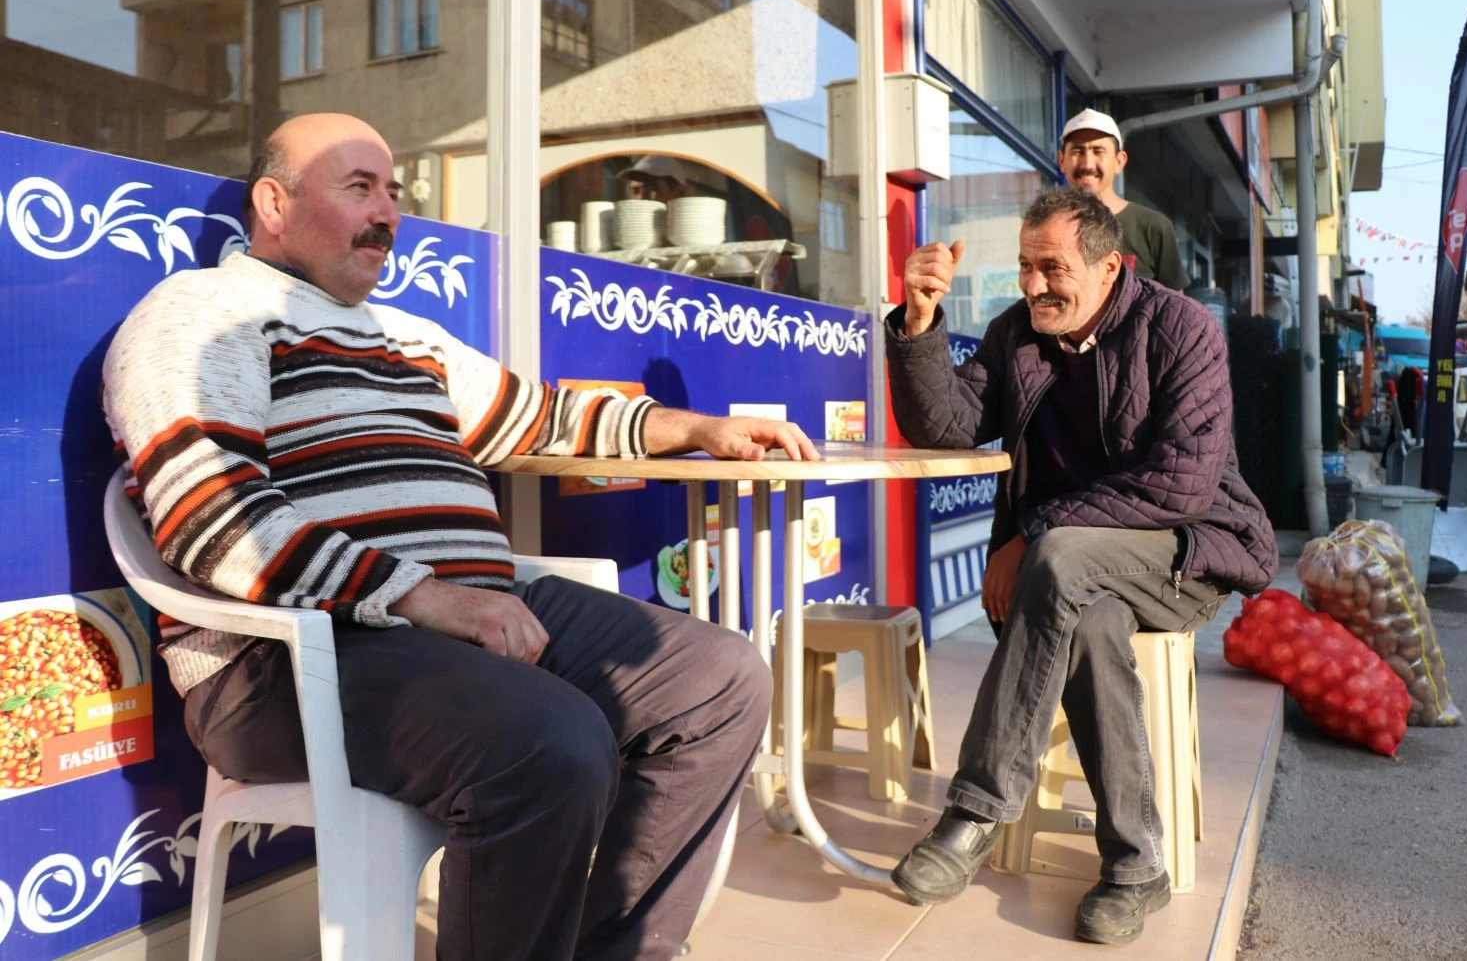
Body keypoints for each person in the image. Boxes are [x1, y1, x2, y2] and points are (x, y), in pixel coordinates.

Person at [101, 113, 821, 961]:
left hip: (465, 618)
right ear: (274, 203)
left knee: (722, 677)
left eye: (394, 191)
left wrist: (694, 427)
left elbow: (543, 413)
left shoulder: (407, 335)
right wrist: (432, 598)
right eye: (357, 186)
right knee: (550, 743)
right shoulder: (203, 314)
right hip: (288, 658)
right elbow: (212, 519)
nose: (388, 213)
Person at [883, 186, 1276, 945]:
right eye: (1025, 267)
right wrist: (919, 323)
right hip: (1076, 572)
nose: (1033, 285)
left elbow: (1183, 483)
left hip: (1185, 550)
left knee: (1062, 559)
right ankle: (1136, 866)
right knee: (1087, 618)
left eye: (1052, 267)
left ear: (1109, 267)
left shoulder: (1181, 327)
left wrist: (1036, 533)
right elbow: (950, 424)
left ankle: (975, 811)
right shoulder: (1016, 333)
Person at [1057, 108, 1189, 292]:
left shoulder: (1152, 226)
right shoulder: (1049, 228)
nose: (1087, 164)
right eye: (1078, 151)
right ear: (1061, 160)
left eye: (1098, 151)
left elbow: (1176, 310)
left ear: (1119, 161)